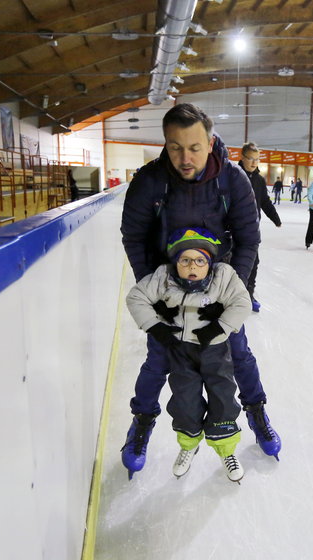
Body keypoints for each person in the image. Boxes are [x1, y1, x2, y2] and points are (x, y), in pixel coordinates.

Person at [119, 103, 281, 479]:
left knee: (238, 355)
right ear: (165, 143)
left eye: (193, 147)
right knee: (158, 360)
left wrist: (227, 292)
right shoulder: (150, 181)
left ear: (209, 142)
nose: (184, 157)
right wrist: (157, 296)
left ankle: (256, 414)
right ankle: (141, 424)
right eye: (175, 147)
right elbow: (134, 237)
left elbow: (248, 239)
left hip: (218, 289)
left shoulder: (234, 180)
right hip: (168, 291)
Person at [126, 228, 250, 483]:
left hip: (215, 351)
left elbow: (241, 302)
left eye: (199, 260)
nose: (192, 266)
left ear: (209, 263)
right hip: (180, 351)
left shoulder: (223, 276)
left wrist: (219, 327)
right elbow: (136, 297)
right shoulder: (163, 277)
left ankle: (226, 450)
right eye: (185, 260)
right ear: (175, 262)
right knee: (184, 400)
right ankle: (189, 443)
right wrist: (156, 327)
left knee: (223, 398)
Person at [238, 142, 282, 313]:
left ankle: (249, 294)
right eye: (251, 158)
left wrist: (275, 218)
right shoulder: (234, 175)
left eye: (257, 159)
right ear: (242, 157)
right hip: (233, 228)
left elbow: (264, 201)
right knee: (233, 262)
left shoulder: (259, 179)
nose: (254, 163)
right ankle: (231, 296)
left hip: (252, 229)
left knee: (253, 262)